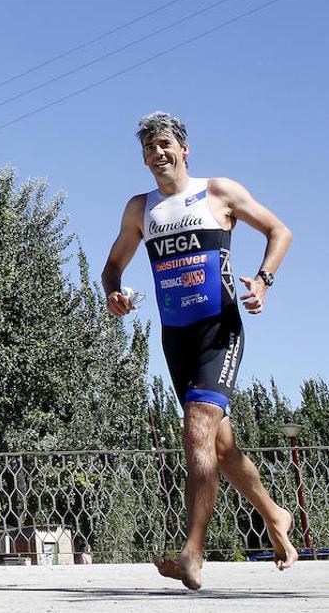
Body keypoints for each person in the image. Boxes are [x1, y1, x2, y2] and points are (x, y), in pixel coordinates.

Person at [101, 111, 297, 589]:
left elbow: (279, 231)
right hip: (176, 339)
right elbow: (112, 266)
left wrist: (265, 281)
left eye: (165, 144)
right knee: (221, 449)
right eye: (148, 148)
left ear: (184, 149)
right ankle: (276, 516)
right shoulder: (139, 208)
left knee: (197, 430)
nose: (157, 154)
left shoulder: (218, 192)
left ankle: (193, 552)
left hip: (219, 330)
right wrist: (114, 293)